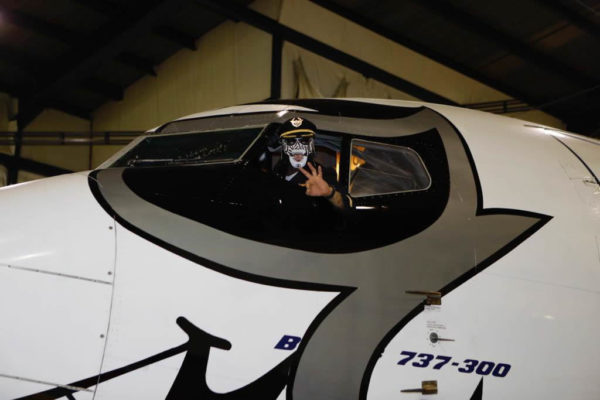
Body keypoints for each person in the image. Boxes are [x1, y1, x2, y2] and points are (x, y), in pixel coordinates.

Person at [272, 117, 351, 209]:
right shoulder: (276, 172)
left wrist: (329, 193)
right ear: (283, 146)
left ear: (311, 146)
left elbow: (347, 208)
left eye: (304, 141)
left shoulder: (322, 174)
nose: (298, 147)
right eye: (291, 141)